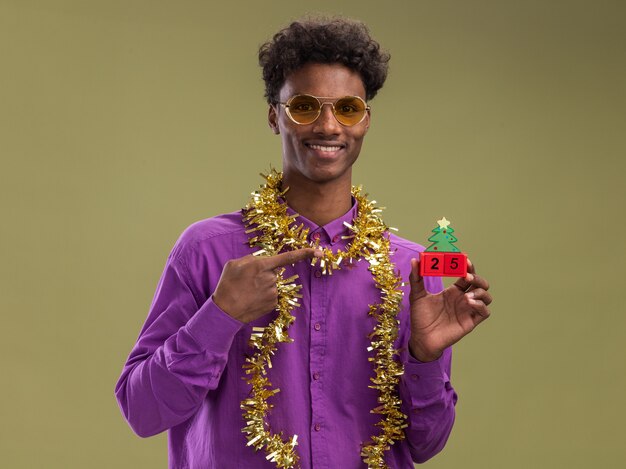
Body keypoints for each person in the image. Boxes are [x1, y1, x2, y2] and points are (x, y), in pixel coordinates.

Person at [115, 16, 492, 469]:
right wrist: (219, 317)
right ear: (275, 116)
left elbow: (426, 445)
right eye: (305, 107)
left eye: (348, 108)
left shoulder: (410, 270)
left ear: (366, 121)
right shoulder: (207, 250)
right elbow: (142, 411)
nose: (329, 126)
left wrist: (424, 358)